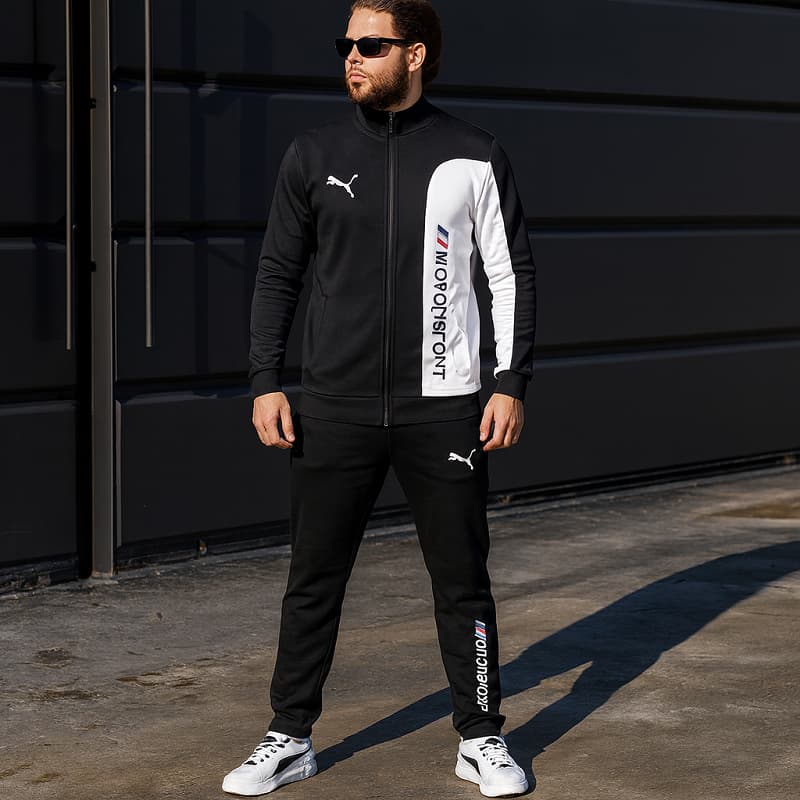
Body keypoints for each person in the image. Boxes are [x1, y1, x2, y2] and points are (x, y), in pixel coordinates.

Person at [223, 0, 536, 796]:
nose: (351, 57)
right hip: (334, 406)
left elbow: (509, 275)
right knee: (313, 579)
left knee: (462, 581)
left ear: (416, 54)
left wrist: (509, 382)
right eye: (346, 44)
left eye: (370, 43)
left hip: (446, 408)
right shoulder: (314, 153)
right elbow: (278, 274)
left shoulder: (474, 154)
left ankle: (480, 736)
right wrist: (265, 381)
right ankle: (289, 735)